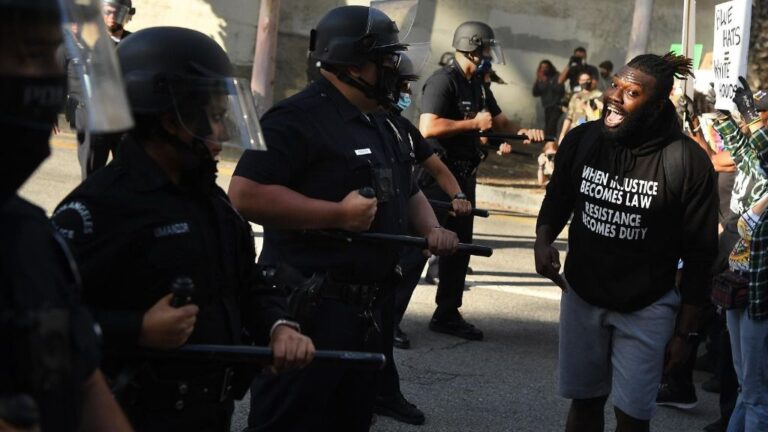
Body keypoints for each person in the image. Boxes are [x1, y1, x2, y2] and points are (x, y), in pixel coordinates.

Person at [52, 27, 315, 431]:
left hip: (209, 414)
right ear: (170, 120)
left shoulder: (209, 198)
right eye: (213, 117)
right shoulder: (98, 208)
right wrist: (135, 330)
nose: (224, 133)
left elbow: (247, 281)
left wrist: (278, 326)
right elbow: (40, 324)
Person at [228, 5, 459, 431]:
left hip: (368, 312)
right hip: (309, 309)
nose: (394, 69)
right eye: (386, 59)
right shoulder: (295, 119)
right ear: (354, 63)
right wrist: (337, 214)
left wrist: (430, 229)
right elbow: (245, 194)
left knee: (351, 420)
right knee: (289, 420)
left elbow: (406, 188)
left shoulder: (383, 121)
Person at [534, 52, 718, 431]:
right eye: (615, 84)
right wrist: (543, 239)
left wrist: (686, 334)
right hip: (582, 295)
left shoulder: (686, 161)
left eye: (630, 92)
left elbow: (701, 254)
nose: (614, 96)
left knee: (633, 417)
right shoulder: (583, 140)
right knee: (584, 404)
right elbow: (558, 197)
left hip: (647, 306)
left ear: (656, 104)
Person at [0, 1, 135, 431]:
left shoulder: (30, 236)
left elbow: (74, 381)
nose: (38, 77)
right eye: (23, 54)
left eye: (45, 56)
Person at [419, 20, 544, 341]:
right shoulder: (442, 81)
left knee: (459, 247)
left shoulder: (478, 84)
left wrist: (523, 133)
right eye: (487, 48)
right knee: (418, 247)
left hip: (465, 175)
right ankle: (388, 321)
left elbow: (501, 122)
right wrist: (472, 123)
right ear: (474, 48)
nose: (489, 54)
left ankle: (447, 312)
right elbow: (428, 128)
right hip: (437, 175)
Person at [374, 51, 473, 426]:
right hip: (353, 250)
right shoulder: (342, 124)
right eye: (399, 87)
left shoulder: (399, 128)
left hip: (398, 234)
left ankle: (382, 393)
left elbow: (431, 167)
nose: (404, 94)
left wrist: (457, 197)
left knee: (380, 320)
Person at [718, 77, 768, 431]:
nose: (759, 123)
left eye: (763, 116)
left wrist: (750, 118)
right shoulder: (760, 171)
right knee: (744, 386)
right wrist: (724, 117)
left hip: (759, 299)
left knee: (756, 393)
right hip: (738, 290)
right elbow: (744, 153)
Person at [67, 0, 135, 180]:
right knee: (92, 173)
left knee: (127, 172)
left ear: (128, 15)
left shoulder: (134, 43)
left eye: (118, 12)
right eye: (108, 12)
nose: (112, 17)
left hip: (123, 117)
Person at [558, 71, 603, 143]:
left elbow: (599, 118)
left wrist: (586, 107)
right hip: (574, 131)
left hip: (589, 132)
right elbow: (569, 117)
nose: (585, 82)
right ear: (579, 81)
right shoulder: (576, 96)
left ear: (591, 80)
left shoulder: (598, 95)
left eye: (588, 79)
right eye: (583, 80)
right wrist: (562, 134)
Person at [533, 60, 566, 137]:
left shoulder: (556, 76)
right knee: (548, 127)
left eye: (546, 67)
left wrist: (548, 82)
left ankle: (551, 144)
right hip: (547, 107)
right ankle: (548, 144)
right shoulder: (541, 78)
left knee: (552, 126)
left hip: (557, 106)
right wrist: (538, 80)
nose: (544, 69)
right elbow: (535, 93)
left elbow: (560, 90)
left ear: (550, 67)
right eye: (542, 67)